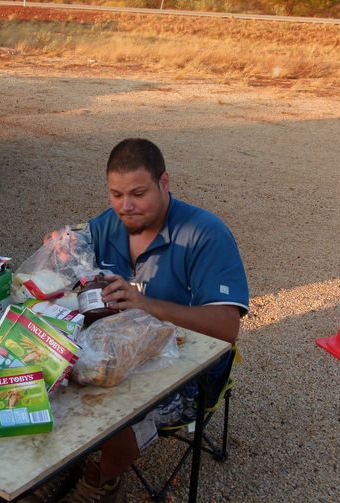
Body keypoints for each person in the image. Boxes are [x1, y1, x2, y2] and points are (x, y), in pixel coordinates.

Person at [25, 138, 249, 503]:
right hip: (120, 346)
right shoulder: (110, 224)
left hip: (191, 367)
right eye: (116, 194)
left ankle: (101, 480)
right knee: (50, 364)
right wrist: (63, 250)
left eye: (138, 193)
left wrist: (146, 305)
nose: (125, 207)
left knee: (124, 407)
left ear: (164, 183)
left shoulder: (205, 234)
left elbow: (227, 327)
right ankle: (62, 463)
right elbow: (80, 245)